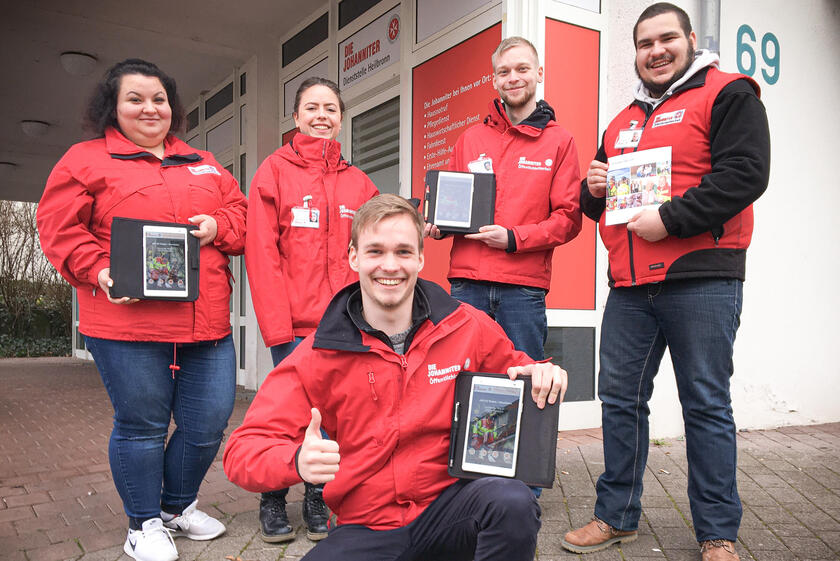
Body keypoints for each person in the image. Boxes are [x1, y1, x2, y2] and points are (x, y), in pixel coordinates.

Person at [224, 194, 569, 561]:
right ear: (354, 257)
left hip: (450, 511)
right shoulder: (319, 352)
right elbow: (241, 450)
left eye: (404, 252)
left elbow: (517, 368)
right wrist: (295, 460)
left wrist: (541, 373)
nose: (390, 266)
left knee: (512, 502)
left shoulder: (466, 326)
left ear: (420, 258)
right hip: (368, 525)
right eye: (375, 251)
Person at [561, 4, 770, 561]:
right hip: (629, 285)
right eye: (644, 43)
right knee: (620, 402)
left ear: (690, 40)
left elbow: (747, 174)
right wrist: (594, 186)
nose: (655, 51)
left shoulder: (728, 93)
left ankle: (717, 532)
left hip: (701, 278)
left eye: (666, 39)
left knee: (704, 404)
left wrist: (672, 219)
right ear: (635, 52)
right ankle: (616, 516)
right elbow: (591, 202)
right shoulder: (622, 119)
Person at [37, 59, 247, 561]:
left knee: (208, 423)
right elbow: (59, 229)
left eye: (159, 99)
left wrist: (218, 226)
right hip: (127, 323)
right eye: (136, 99)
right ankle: (143, 523)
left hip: (207, 321)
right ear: (114, 106)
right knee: (142, 426)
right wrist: (101, 270)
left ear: (171, 106)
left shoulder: (205, 160)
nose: (149, 108)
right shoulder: (84, 160)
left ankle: (175, 507)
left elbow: (240, 213)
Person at [244, 77, 378, 543]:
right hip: (295, 326)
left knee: (334, 413)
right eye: (311, 108)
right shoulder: (273, 172)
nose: (322, 115)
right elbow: (261, 254)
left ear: (341, 118)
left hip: (345, 324)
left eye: (330, 109)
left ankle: (318, 496)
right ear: (296, 117)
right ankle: (273, 495)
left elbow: (374, 252)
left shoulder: (360, 182)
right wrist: (278, 328)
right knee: (290, 413)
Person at [425, 36, 582, 363]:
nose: (513, 78)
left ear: (539, 73)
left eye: (522, 69)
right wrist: (439, 226)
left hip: (522, 290)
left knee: (525, 380)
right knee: (461, 376)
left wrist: (513, 238)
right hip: (468, 285)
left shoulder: (560, 142)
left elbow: (568, 219)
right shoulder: (470, 139)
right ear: (494, 79)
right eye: (504, 71)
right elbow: (454, 208)